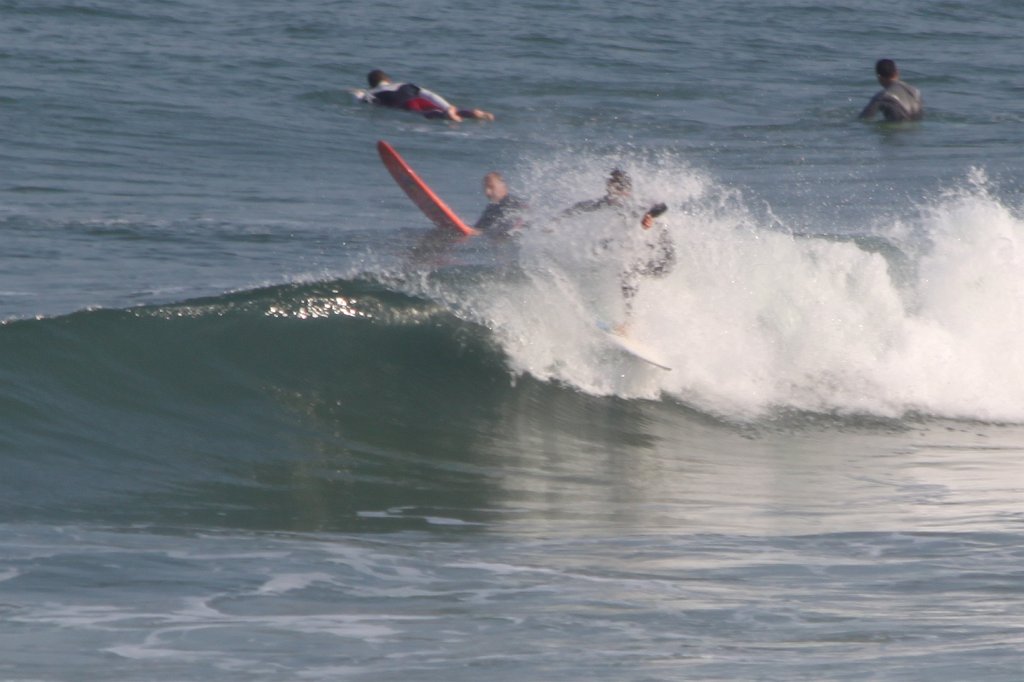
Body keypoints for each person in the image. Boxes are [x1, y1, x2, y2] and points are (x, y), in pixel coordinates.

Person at [359, 70, 495, 122]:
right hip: (419, 100)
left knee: (431, 114)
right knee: (445, 109)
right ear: (388, 80)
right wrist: (448, 107)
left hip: (408, 106)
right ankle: (474, 113)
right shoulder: (404, 84)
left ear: (372, 85)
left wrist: (360, 95)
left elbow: (368, 102)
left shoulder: (372, 93)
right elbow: (429, 94)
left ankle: (447, 115)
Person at [858, 59, 923, 122]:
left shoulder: (883, 96)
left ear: (879, 77)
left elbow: (864, 118)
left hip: (898, 130)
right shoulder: (915, 91)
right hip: (916, 131)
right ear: (897, 72)